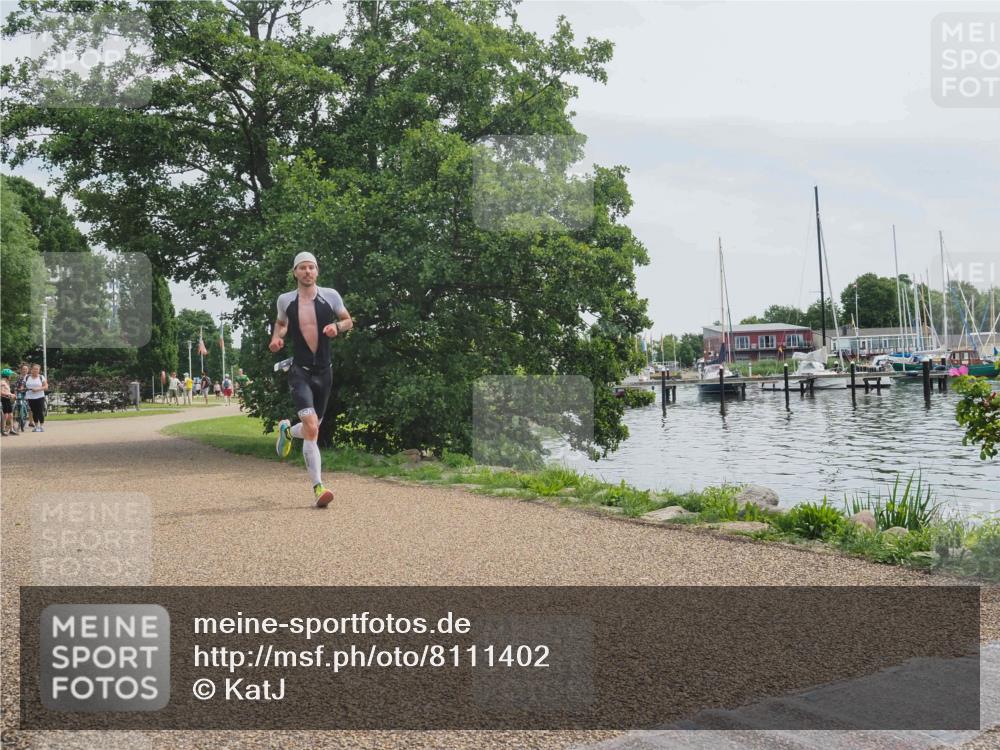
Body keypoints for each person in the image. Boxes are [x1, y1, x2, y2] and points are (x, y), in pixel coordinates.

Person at [270, 251, 352, 508]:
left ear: (317, 271)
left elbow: (348, 320)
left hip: (324, 373)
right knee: (312, 429)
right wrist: (277, 338)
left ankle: (287, 430)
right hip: (300, 372)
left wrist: (337, 327)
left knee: (311, 428)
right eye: (302, 267)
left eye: (311, 267)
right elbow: (281, 323)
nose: (307, 271)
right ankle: (319, 487)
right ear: (295, 272)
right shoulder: (285, 300)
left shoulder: (331, 296)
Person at [24, 363, 48, 432]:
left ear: (39, 370)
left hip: (40, 396)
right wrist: (22, 388)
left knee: (40, 411)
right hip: (30, 397)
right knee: (34, 412)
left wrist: (38, 389)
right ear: (31, 369)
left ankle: (41, 426)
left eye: (37, 369)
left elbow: (46, 387)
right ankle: (36, 426)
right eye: (34, 369)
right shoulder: (27, 377)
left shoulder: (41, 377)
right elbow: (23, 384)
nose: (35, 370)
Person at [1, 369, 15, 436]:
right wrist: (10, 395)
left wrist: (11, 395)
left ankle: (11, 429)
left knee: (11, 415)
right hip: (4, 399)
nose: (11, 376)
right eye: (10, 375)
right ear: (7, 375)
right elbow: (1, 392)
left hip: (7, 399)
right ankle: (3, 429)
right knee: (5, 415)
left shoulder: (6, 382)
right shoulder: (2, 383)